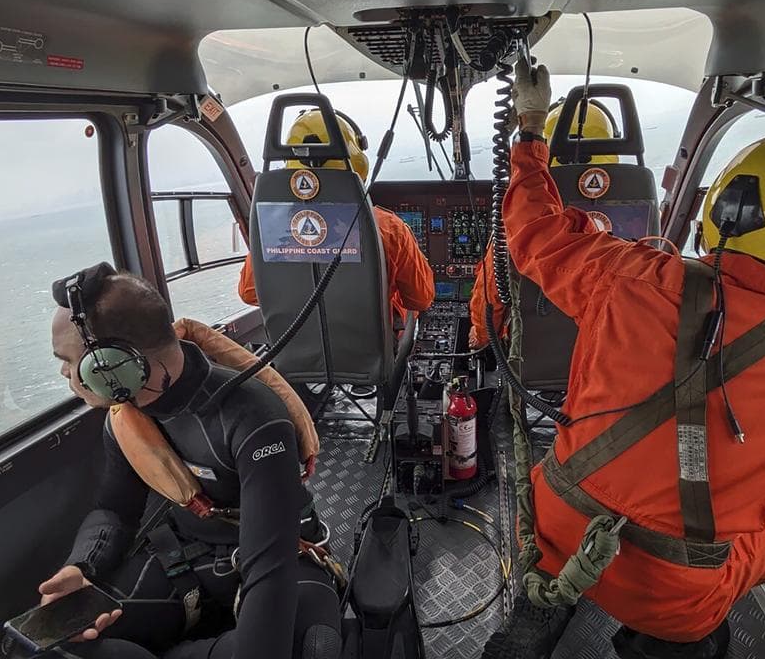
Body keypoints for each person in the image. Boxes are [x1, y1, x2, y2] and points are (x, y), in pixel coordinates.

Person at [483, 58, 765, 659]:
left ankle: (540, 605)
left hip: (554, 525)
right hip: (670, 591)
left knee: (565, 510)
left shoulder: (627, 275)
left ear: (727, 206)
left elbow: (532, 229)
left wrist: (528, 129)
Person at [40, 264, 341, 659]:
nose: (65, 371)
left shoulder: (252, 415)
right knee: (61, 645)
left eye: (70, 360)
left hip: (284, 554)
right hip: (185, 558)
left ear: (112, 365)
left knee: (314, 649)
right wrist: (82, 567)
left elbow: (269, 564)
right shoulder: (125, 417)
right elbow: (115, 509)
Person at [238, 109, 435, 329]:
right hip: (374, 358)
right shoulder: (388, 228)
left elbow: (249, 293)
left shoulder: (273, 230)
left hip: (294, 358)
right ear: (355, 159)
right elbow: (421, 298)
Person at [468, 98, 620, 350]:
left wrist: (482, 336)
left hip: (532, 367)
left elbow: (490, 298)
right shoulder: (645, 225)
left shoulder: (522, 228)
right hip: (608, 359)